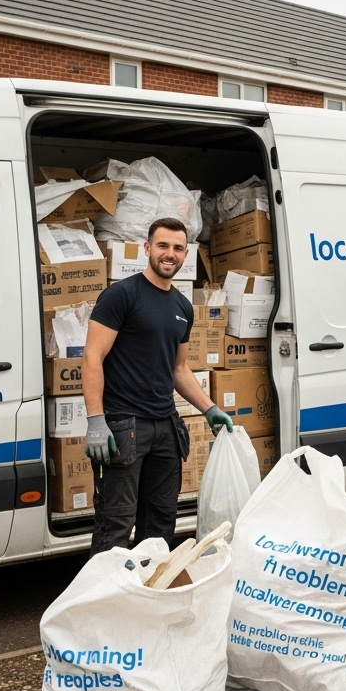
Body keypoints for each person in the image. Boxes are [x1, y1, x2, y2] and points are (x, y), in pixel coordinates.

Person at [82, 217, 234, 555]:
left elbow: (179, 368)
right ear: (148, 248)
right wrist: (96, 420)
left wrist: (209, 408)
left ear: (185, 255)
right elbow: (92, 357)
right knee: (116, 524)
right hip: (124, 426)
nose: (170, 254)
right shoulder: (121, 295)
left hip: (165, 427)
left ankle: (149, 599)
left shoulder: (181, 307)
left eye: (178, 248)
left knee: (160, 523)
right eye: (163, 246)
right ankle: (107, 602)